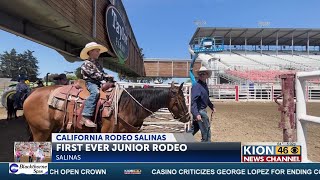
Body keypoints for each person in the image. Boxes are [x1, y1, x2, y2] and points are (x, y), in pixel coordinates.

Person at [79, 42, 114, 128]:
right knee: (95, 93)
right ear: (90, 52)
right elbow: (93, 74)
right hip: (90, 82)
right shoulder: (86, 63)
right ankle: (85, 116)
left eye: (99, 51)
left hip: (98, 82)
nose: (98, 53)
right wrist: (105, 76)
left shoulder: (97, 64)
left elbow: (102, 73)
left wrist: (108, 78)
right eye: (97, 51)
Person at [190, 66, 216, 142]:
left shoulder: (204, 86)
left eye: (203, 74)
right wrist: (196, 114)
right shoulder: (197, 86)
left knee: (194, 129)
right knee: (206, 133)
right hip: (200, 112)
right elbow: (193, 101)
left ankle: (182, 142)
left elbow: (206, 98)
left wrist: (212, 106)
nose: (201, 75)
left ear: (207, 75)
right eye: (200, 74)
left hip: (200, 112)